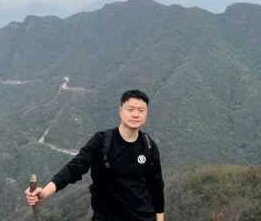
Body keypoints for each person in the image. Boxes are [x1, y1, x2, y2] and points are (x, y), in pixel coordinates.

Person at [25, 89, 165, 221]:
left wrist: (160, 218)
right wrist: (44, 192)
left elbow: (156, 186)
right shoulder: (102, 141)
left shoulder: (148, 145)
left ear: (146, 114)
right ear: (120, 111)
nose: (136, 114)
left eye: (141, 110)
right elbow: (75, 168)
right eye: (130, 109)